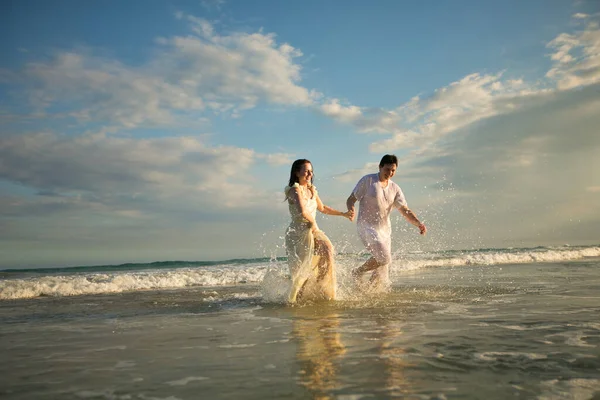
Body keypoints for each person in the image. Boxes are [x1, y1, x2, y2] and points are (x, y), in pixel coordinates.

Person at [346, 154, 426, 287]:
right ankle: (357, 272)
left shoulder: (395, 188)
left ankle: (369, 294)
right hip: (366, 227)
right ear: (380, 167)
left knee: (382, 270)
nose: (390, 173)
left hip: (385, 230)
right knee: (384, 258)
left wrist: (418, 223)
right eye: (387, 169)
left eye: (393, 170)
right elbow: (351, 199)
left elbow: (404, 210)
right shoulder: (368, 181)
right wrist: (350, 210)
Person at [284, 159, 354, 303]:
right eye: (306, 170)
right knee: (303, 269)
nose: (310, 174)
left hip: (313, 230)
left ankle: (322, 287)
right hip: (299, 234)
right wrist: (312, 223)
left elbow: (322, 208)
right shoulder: (294, 190)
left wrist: (343, 213)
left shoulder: (311, 190)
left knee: (328, 249)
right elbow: (302, 211)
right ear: (297, 173)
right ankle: (296, 300)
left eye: (311, 171)